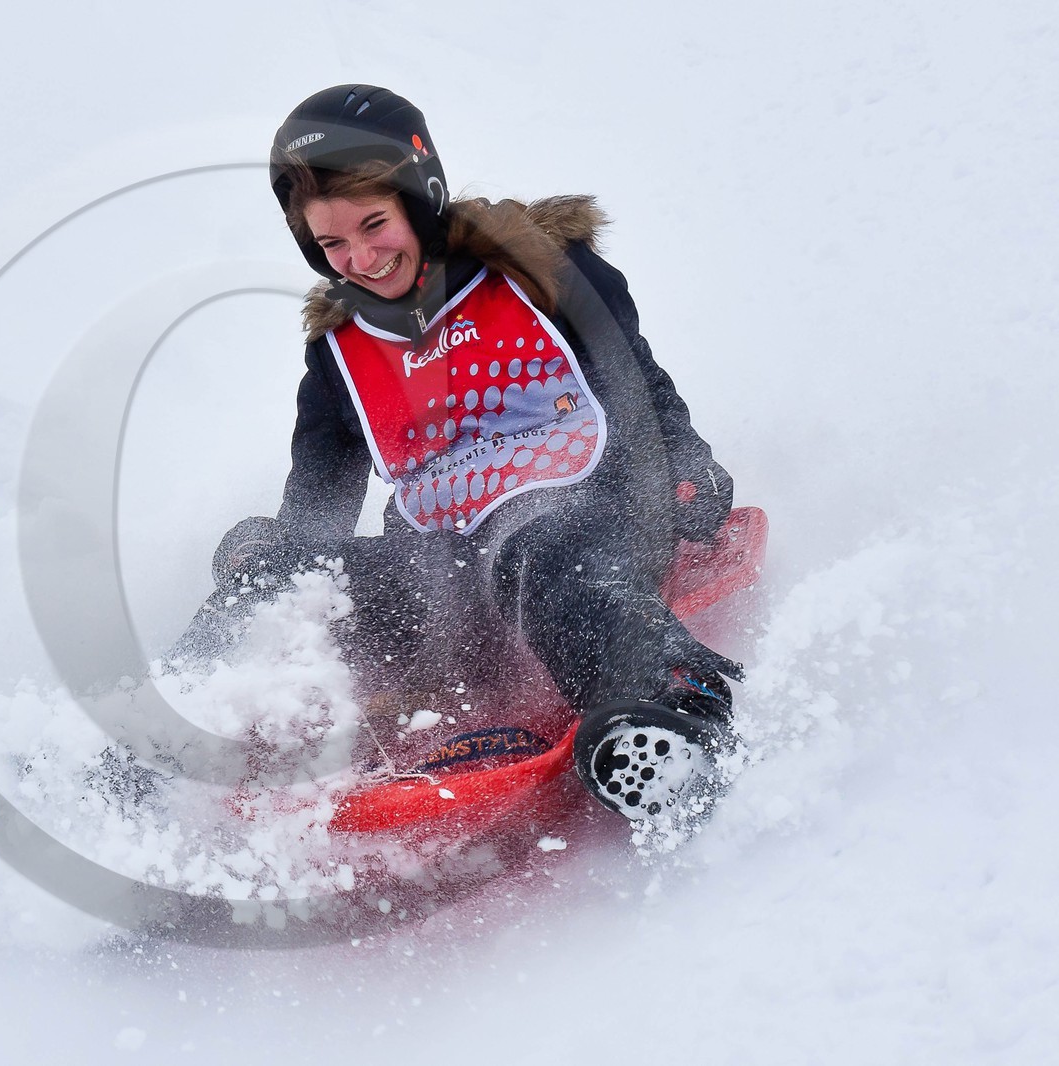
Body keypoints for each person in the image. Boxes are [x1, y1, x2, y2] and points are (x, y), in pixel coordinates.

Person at [187, 85, 743, 822]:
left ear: (423, 197)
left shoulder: (541, 271)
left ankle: (665, 705)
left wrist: (684, 461)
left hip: (585, 525)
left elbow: (637, 381)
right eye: (332, 245)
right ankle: (142, 760)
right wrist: (278, 558)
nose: (359, 257)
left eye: (375, 224)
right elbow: (320, 501)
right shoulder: (340, 355)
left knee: (537, 547)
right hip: (442, 572)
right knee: (282, 584)